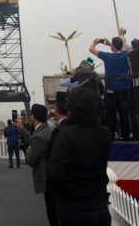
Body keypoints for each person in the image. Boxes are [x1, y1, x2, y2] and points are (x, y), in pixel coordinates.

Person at [47, 88, 112, 226]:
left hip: (73, 209)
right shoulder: (105, 133)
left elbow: (54, 174)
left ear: (70, 108)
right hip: (99, 205)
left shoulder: (65, 135)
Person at [16, 105, 54, 225]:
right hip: (52, 176)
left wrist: (28, 150)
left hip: (46, 177)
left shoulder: (40, 135)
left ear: (33, 116)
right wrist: (22, 129)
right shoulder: (47, 130)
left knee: (52, 213)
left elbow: (31, 160)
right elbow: (35, 141)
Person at [90, 36, 131, 139]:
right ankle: (126, 135)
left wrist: (95, 42)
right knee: (124, 113)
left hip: (111, 88)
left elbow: (91, 49)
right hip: (124, 88)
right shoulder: (126, 55)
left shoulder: (107, 56)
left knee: (111, 113)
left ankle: (112, 134)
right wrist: (110, 44)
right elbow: (120, 49)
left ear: (113, 46)